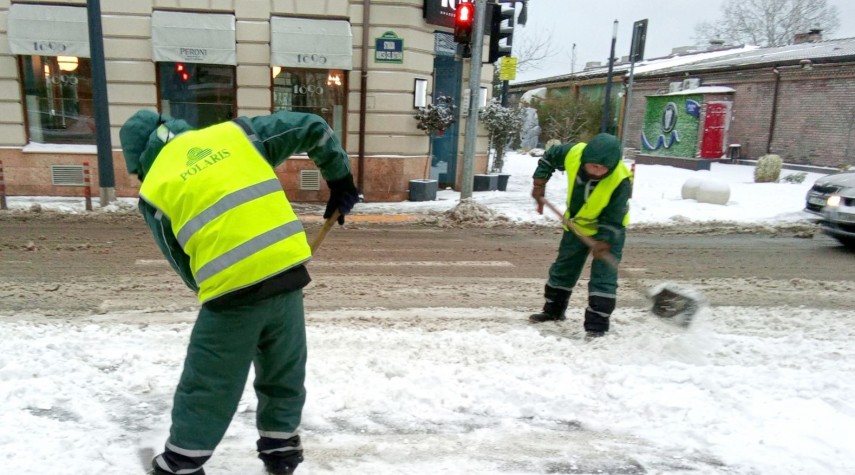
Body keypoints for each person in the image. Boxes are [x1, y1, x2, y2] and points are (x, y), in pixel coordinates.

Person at [119, 109, 359, 475]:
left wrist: (215, 287)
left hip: (232, 293)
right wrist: (340, 180)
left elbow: (182, 261)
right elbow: (312, 126)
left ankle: (181, 461)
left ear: (139, 161)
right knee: (283, 368)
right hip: (287, 271)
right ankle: (281, 450)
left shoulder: (153, 190)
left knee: (210, 379)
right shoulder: (236, 135)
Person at [529, 133, 631, 338]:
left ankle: (597, 326)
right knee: (564, 268)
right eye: (592, 166)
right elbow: (549, 157)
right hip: (576, 227)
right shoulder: (574, 154)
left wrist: (604, 241)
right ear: (585, 159)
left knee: (603, 277)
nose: (596, 171)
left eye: (602, 169)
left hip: (609, 232)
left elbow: (614, 217)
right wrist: (539, 184)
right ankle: (553, 311)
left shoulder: (621, 180)